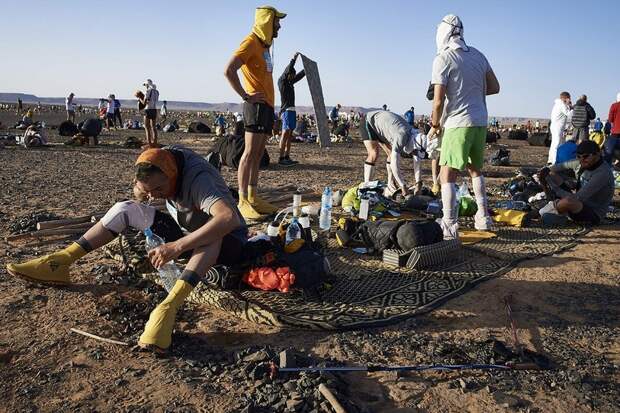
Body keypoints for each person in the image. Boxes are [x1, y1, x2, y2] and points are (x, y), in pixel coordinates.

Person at [6, 145, 247, 353]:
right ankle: (61, 261)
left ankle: (169, 307)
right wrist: (142, 193)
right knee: (124, 208)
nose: (154, 198)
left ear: (173, 176)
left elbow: (228, 219)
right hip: (186, 229)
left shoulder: (199, 178)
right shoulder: (162, 161)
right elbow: (142, 190)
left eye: (159, 191)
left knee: (212, 232)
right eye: (150, 192)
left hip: (229, 242)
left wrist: (177, 246)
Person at [427, 14, 500, 238]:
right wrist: (473, 90)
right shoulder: (479, 55)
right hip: (480, 121)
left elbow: (438, 101)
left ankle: (449, 223)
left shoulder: (443, 58)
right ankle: (483, 217)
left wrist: (435, 124)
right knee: (475, 170)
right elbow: (495, 87)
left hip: (458, 123)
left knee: (446, 175)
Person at [224, 5, 286, 219]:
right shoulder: (250, 42)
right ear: (266, 23)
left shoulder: (265, 48)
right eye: (276, 23)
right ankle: (242, 200)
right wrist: (245, 95)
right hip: (255, 106)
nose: (279, 27)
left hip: (267, 107)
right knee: (249, 153)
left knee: (258, 154)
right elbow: (229, 69)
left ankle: (253, 196)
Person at [539, 141, 614, 225]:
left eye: (586, 156)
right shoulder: (580, 163)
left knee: (568, 201)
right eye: (579, 157)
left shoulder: (602, 173)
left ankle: (544, 212)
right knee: (550, 174)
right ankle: (555, 210)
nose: (582, 160)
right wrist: (543, 175)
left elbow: (578, 198)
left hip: (592, 212)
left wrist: (557, 191)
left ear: (597, 154)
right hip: (578, 201)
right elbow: (553, 168)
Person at [360, 110, 427, 195]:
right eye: (414, 151)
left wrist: (418, 183)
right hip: (369, 121)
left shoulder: (416, 135)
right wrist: (403, 185)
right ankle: (366, 187)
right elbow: (394, 164)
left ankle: (390, 185)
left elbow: (417, 161)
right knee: (374, 154)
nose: (413, 153)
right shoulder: (402, 136)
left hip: (384, 127)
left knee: (391, 154)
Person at [278, 52, 305, 166]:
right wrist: (293, 59)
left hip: (292, 111)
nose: (293, 78)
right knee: (285, 134)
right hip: (287, 110)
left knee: (290, 135)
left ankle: (287, 156)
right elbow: (288, 70)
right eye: (291, 75)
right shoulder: (282, 82)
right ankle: (281, 158)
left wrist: (306, 70)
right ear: (288, 74)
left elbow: (299, 76)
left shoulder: (290, 82)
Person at [548, 92, 573, 164]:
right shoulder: (562, 105)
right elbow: (569, 114)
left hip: (555, 126)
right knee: (557, 144)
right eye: (569, 98)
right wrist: (570, 107)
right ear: (566, 98)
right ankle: (554, 161)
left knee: (554, 144)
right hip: (558, 127)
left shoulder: (557, 104)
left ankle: (551, 159)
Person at [139, 79, 160, 147]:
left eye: (145, 85)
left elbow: (144, 102)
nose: (145, 86)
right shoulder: (157, 92)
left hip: (148, 109)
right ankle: (155, 142)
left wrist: (140, 99)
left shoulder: (148, 91)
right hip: (154, 109)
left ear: (147, 85)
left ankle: (149, 143)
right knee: (153, 127)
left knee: (147, 127)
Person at [603, 93, 620, 165]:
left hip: (615, 131)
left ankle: (609, 166)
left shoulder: (614, 105)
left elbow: (610, 119)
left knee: (610, 150)